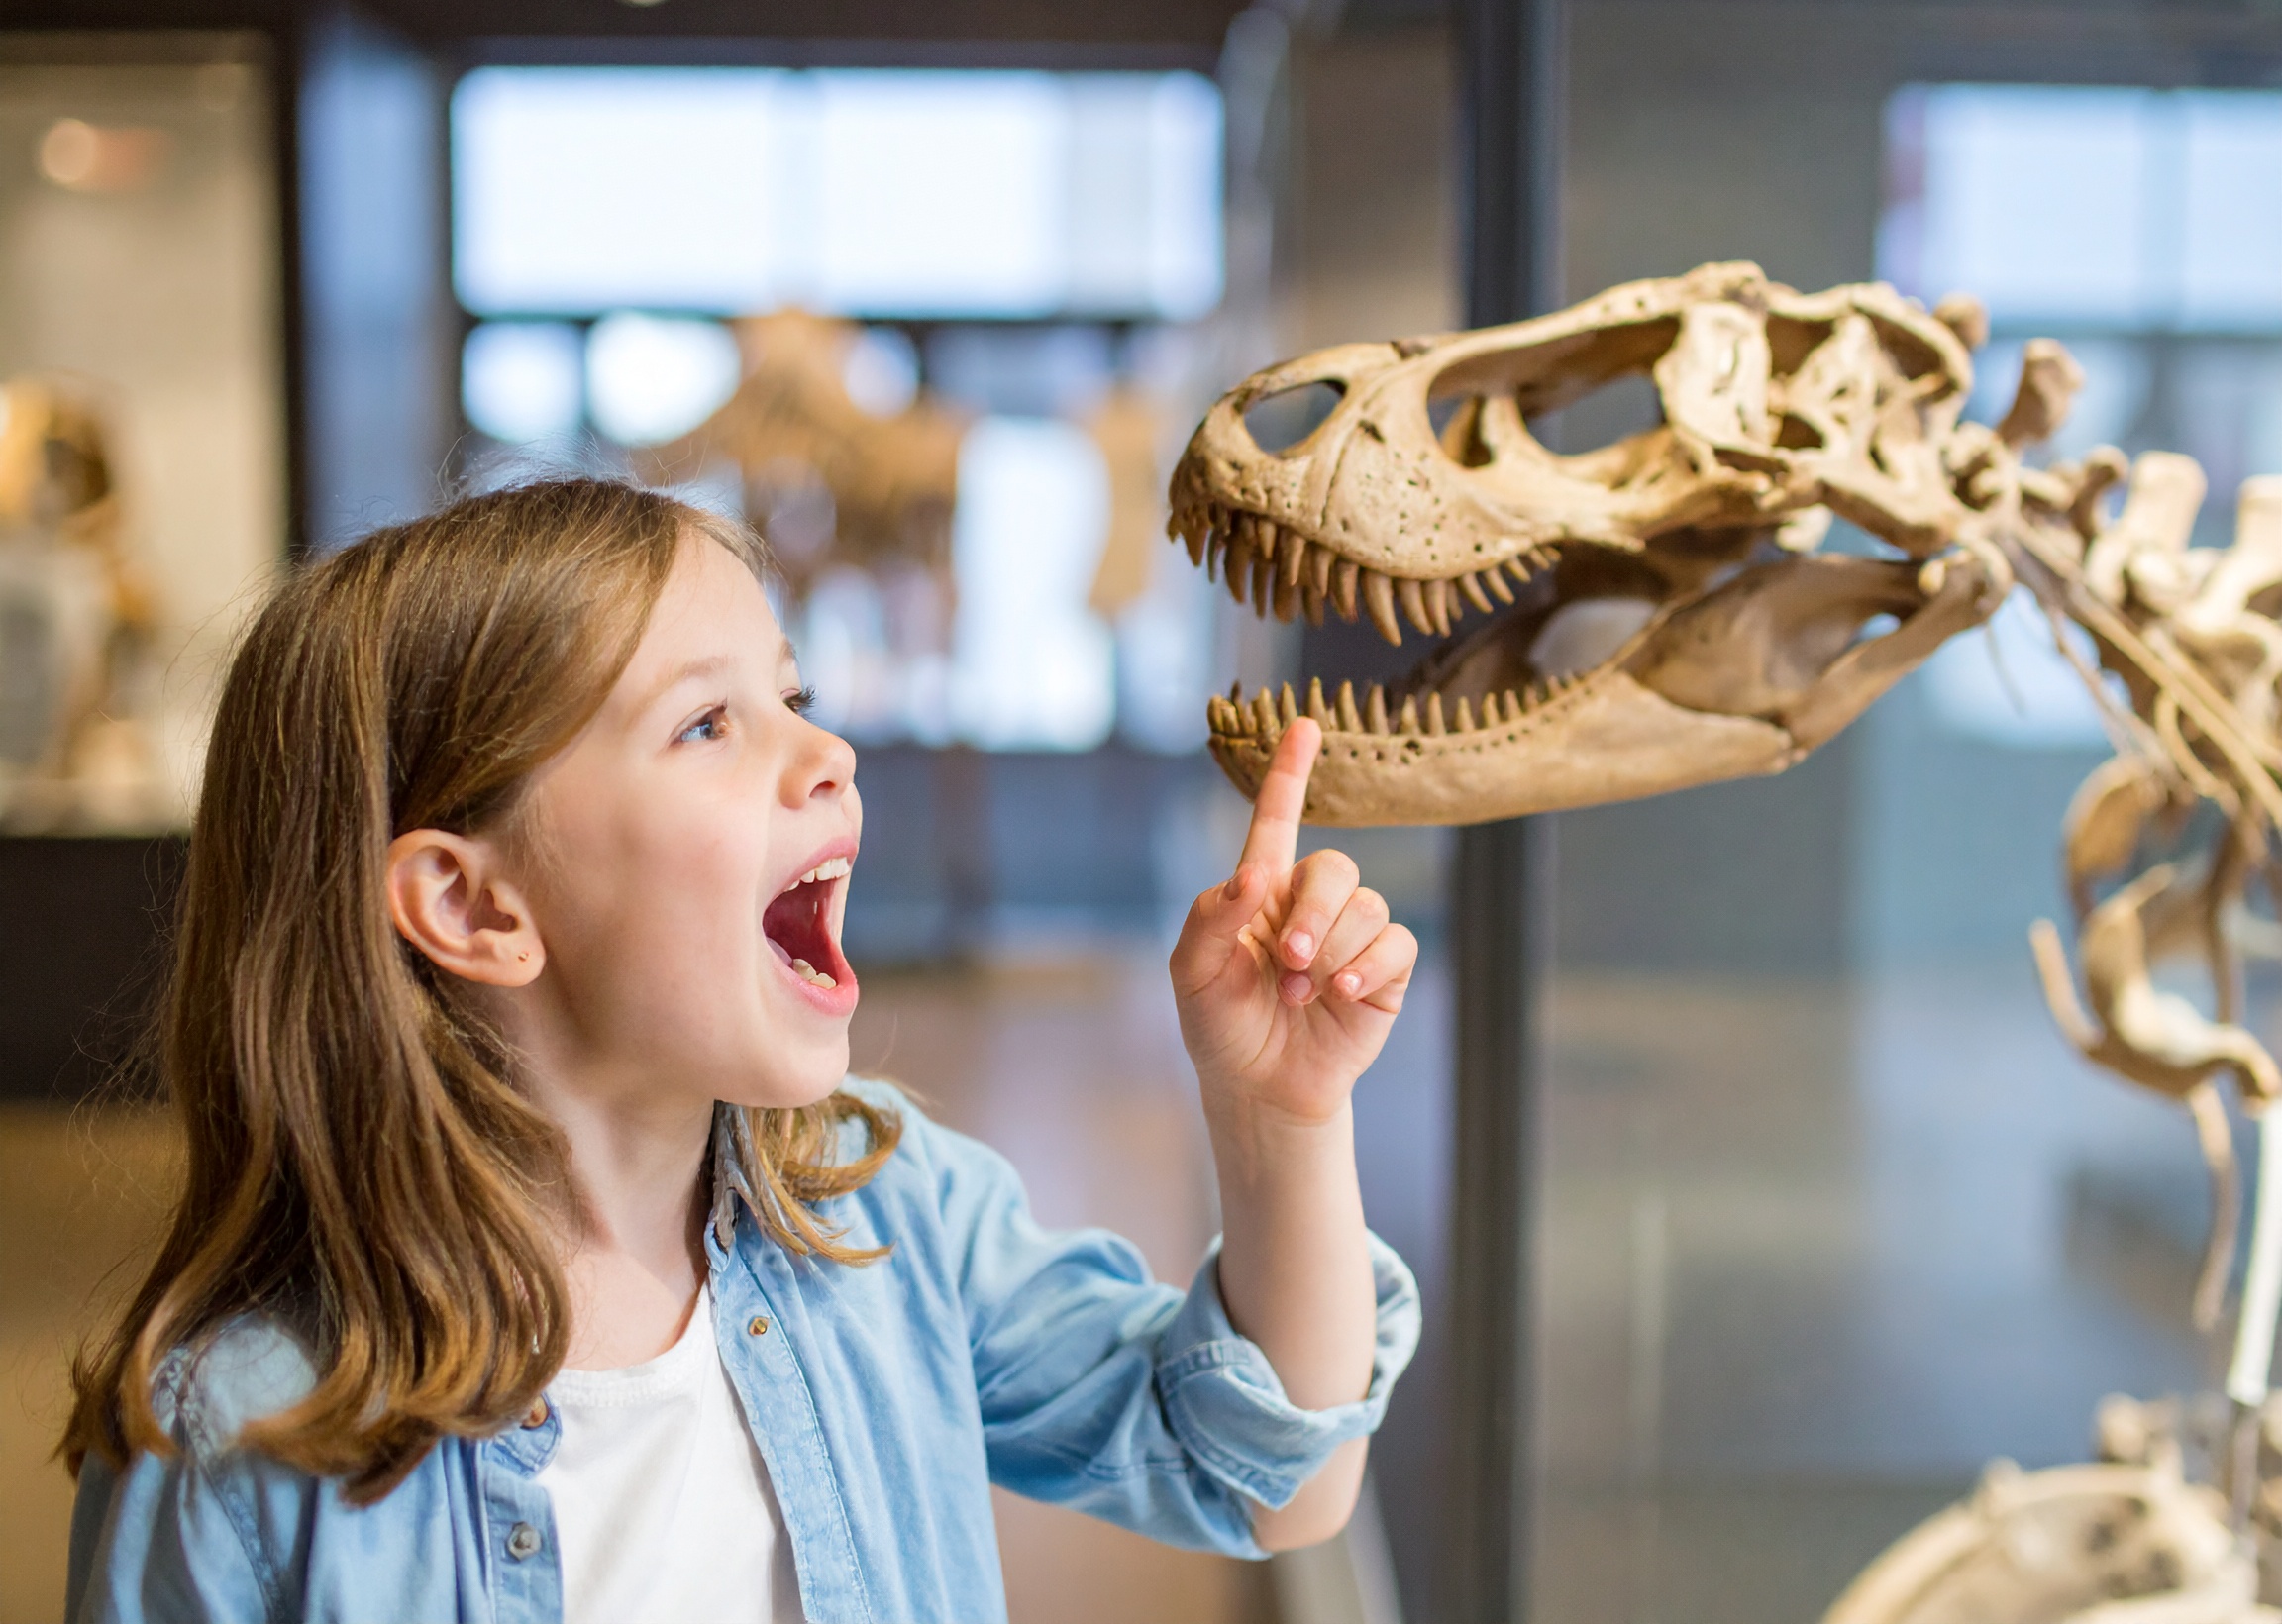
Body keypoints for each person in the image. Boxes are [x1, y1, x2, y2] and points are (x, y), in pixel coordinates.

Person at [60, 478, 1420, 1624]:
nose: (828, 749)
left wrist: (1281, 1120)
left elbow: (1262, 1477)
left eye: (793, 694)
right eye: (709, 723)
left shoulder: (887, 1211)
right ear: (476, 906)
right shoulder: (231, 1434)